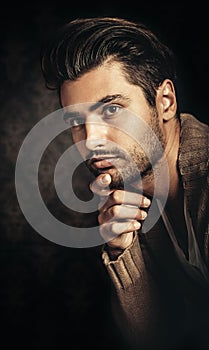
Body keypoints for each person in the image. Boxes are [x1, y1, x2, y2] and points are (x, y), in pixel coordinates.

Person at [41, 17, 209, 350]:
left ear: (165, 102)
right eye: (76, 121)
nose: (91, 140)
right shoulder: (126, 198)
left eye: (112, 109)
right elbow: (155, 338)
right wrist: (122, 250)